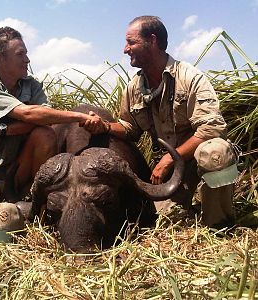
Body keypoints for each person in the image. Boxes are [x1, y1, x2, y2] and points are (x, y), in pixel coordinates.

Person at [83, 16, 239, 228]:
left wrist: (168, 160)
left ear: (153, 41)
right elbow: (130, 128)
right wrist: (105, 126)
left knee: (214, 153)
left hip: (192, 158)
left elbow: (211, 129)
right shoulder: (134, 87)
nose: (125, 49)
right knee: (166, 221)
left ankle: (219, 226)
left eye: (131, 42)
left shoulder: (190, 77)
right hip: (170, 170)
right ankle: (188, 209)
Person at [0, 26, 101, 217]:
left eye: (26, 53)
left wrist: (0, 131)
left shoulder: (31, 84)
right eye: (20, 54)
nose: (27, 59)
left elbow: (46, 117)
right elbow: (29, 114)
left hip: (20, 170)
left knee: (44, 134)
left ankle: (35, 196)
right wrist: (80, 116)